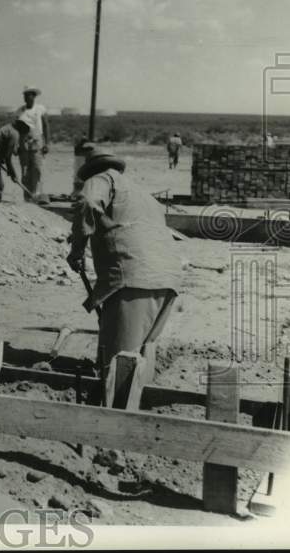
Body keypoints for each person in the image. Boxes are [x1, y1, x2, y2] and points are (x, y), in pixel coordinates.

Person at [66, 147, 180, 387]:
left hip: (133, 278)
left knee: (117, 371)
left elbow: (87, 202)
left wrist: (77, 249)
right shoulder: (140, 192)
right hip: (167, 276)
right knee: (139, 359)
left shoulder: (100, 179)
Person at [14, 86, 49, 202]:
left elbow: (46, 126)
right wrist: (16, 145)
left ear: (34, 96)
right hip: (23, 142)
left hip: (37, 142)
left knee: (37, 169)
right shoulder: (20, 111)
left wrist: (46, 144)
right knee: (25, 171)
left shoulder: (40, 109)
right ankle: (27, 197)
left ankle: (37, 195)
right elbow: (16, 129)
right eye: (25, 95)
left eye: (29, 95)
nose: (26, 97)